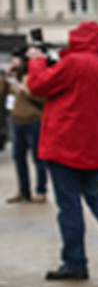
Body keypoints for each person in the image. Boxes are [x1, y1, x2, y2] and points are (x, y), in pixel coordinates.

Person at [25, 21, 98, 282]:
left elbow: (39, 86)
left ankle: (75, 263)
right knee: (97, 198)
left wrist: (37, 60)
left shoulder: (75, 62)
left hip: (64, 145)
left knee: (69, 206)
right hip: (92, 147)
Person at [3, 51, 48, 204]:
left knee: (38, 157)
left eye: (16, 61)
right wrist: (5, 76)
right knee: (18, 157)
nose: (14, 64)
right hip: (16, 121)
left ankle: (41, 190)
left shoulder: (32, 77)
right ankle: (23, 191)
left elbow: (43, 98)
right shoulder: (12, 78)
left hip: (33, 121)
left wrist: (25, 90)